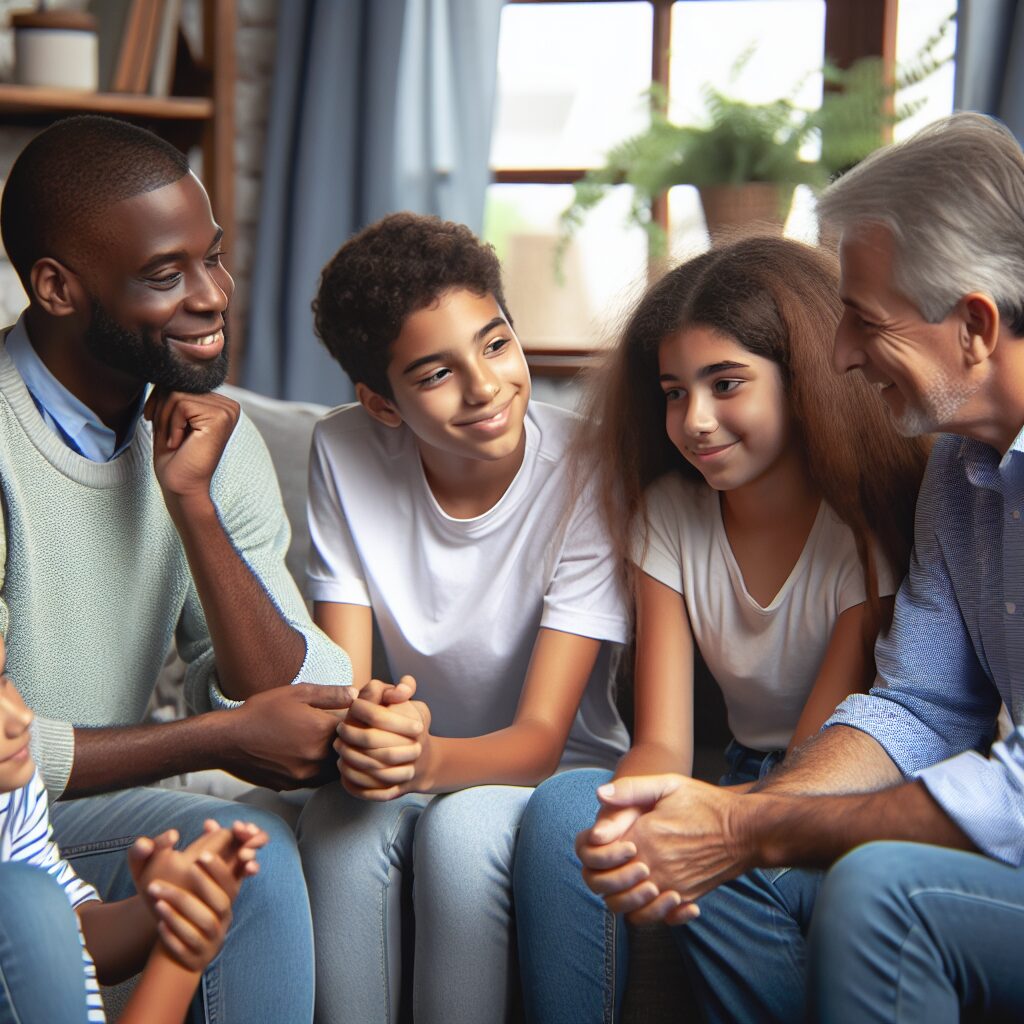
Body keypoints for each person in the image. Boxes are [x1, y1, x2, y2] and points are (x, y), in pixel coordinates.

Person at [577, 111, 1024, 1023]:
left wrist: (751, 822)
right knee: (732, 863)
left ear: (973, 325)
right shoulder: (958, 467)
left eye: (866, 321)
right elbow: (919, 705)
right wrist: (731, 828)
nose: (843, 353)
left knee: (876, 891)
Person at [512, 235, 929, 1021]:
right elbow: (661, 740)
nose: (695, 420)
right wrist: (634, 816)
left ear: (802, 381)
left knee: (724, 874)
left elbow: (816, 757)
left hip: (830, 784)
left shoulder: (857, 539)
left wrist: (707, 829)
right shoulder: (671, 515)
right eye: (674, 391)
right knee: (565, 807)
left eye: (726, 383)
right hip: (729, 773)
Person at [0, 115, 355, 1022]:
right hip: (15, 835)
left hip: (57, 832)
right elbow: (2, 752)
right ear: (56, 286)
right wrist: (213, 739)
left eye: (214, 257)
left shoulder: (207, 435)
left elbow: (300, 697)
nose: (212, 296)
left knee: (249, 851)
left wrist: (191, 502)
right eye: (166, 275)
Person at [294, 211, 629, 1024]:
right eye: (436, 374)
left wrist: (422, 763)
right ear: (381, 402)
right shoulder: (341, 450)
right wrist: (373, 737)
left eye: (495, 343)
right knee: (340, 825)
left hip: (547, 768)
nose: (485, 388)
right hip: (413, 752)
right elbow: (347, 681)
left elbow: (543, 735)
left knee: (463, 833)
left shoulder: (590, 466)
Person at [0, 629, 266, 1024]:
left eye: (4, 678)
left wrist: (163, 906)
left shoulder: (12, 795)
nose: (21, 717)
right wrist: (180, 956)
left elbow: (71, 932)